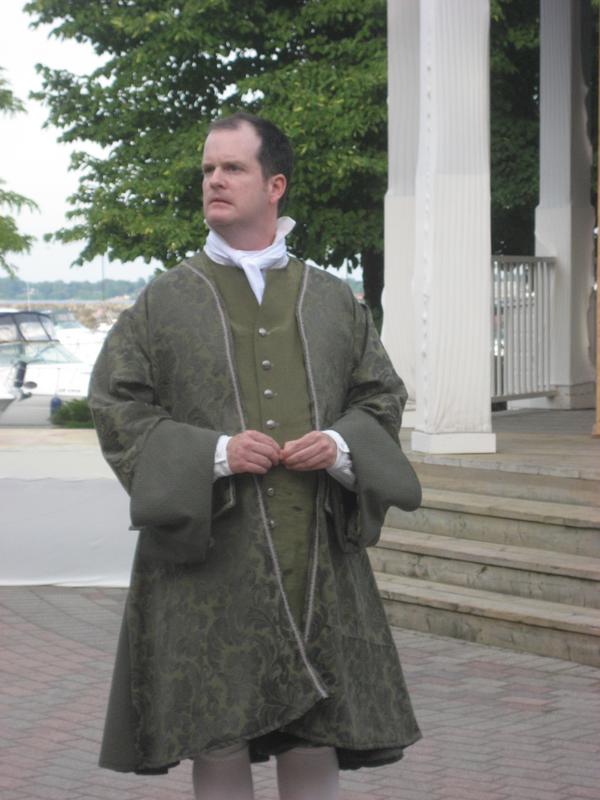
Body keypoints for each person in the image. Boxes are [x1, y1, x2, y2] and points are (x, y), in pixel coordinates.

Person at [90, 112, 422, 800]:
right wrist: (213, 453)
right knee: (218, 732)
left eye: (232, 168)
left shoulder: (333, 300)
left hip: (318, 555)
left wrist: (339, 444)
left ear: (275, 185)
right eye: (208, 169)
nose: (214, 179)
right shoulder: (163, 300)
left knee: (316, 730)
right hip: (208, 559)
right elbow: (116, 404)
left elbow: (381, 396)